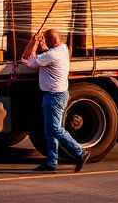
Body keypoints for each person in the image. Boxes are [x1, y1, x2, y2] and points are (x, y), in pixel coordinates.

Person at [22, 29, 90, 173]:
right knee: (49, 131)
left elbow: (29, 61)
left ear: (49, 42)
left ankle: (80, 152)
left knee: (55, 129)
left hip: (54, 96)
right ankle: (51, 162)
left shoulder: (51, 55)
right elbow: (47, 54)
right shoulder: (62, 49)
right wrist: (43, 44)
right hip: (56, 95)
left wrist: (34, 43)